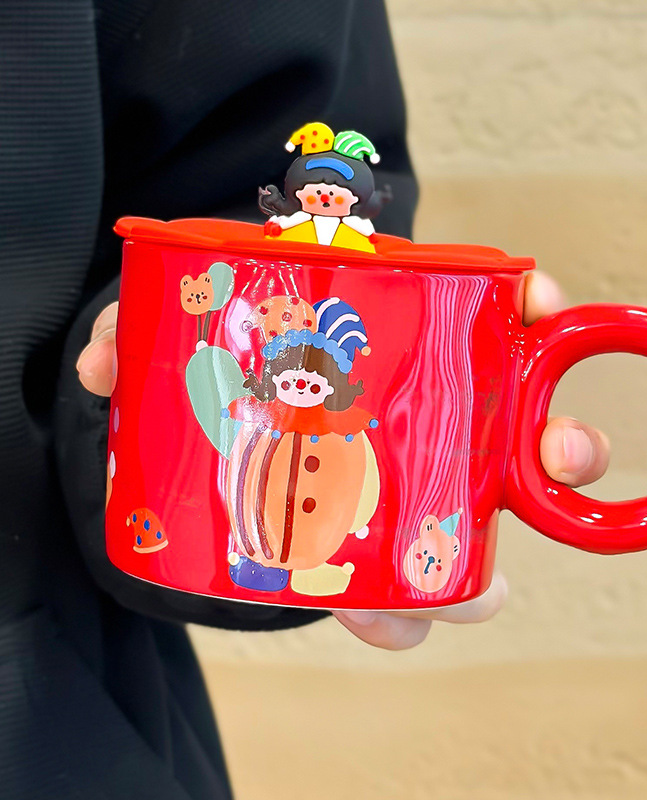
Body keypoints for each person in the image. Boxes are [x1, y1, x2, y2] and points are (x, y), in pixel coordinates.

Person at [2, 1, 609, 797]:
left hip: (47, 718)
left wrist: (139, 431)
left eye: (333, 192)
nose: (323, 202)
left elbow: (220, 196)